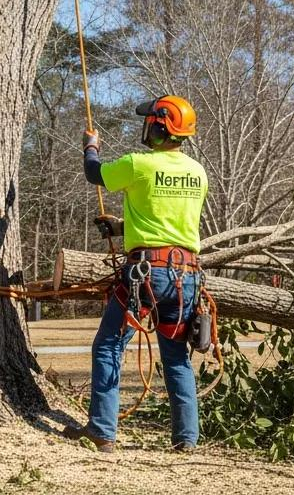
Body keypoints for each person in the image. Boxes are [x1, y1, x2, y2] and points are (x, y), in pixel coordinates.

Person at [63, 95, 208, 453]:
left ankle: (102, 430)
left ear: (160, 127)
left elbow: (94, 174)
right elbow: (168, 222)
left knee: (109, 345)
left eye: (150, 123)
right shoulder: (197, 172)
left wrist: (91, 147)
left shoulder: (138, 164)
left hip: (147, 275)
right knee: (175, 355)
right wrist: (123, 227)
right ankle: (187, 439)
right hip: (186, 276)